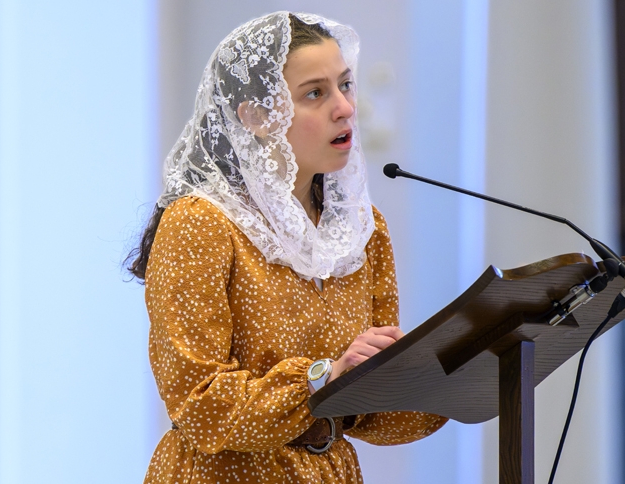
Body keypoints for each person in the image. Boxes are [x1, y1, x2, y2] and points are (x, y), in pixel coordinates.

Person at [126, 12, 447, 484]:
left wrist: (456, 369)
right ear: (255, 117)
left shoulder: (363, 229)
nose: (345, 108)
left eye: (346, 85)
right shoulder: (200, 223)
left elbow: (373, 408)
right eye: (315, 93)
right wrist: (325, 377)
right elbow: (199, 402)